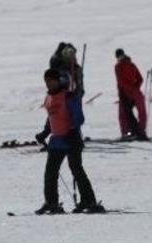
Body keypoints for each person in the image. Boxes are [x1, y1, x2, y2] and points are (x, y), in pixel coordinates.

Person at [34, 69, 104, 215]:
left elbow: (79, 117)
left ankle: (88, 201)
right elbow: (51, 118)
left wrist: (72, 131)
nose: (48, 83)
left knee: (77, 170)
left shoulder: (69, 96)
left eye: (51, 80)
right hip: (56, 141)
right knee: (50, 173)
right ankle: (51, 203)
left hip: (71, 140)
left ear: (58, 80)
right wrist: (45, 133)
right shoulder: (49, 97)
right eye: (46, 81)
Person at [114, 48, 148, 140]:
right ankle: (140, 131)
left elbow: (121, 81)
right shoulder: (132, 65)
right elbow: (140, 78)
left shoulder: (118, 66)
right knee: (141, 113)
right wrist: (135, 87)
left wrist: (129, 90)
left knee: (123, 115)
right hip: (135, 92)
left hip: (125, 94)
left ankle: (126, 133)